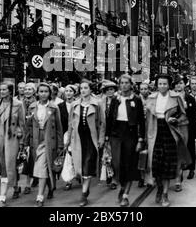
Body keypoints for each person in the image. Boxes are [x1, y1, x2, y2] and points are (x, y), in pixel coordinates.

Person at [145, 74, 191, 207]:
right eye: (160, 84)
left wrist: (175, 119)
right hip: (154, 131)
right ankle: (159, 187)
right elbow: (147, 120)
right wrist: (144, 138)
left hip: (170, 132)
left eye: (165, 84)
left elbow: (183, 115)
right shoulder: (151, 98)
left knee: (167, 164)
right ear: (156, 85)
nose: (162, 86)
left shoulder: (176, 97)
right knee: (156, 164)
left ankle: (165, 193)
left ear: (169, 85)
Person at [106, 75, 145, 207]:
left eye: (126, 83)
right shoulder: (115, 100)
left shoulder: (137, 100)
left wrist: (140, 139)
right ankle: (122, 186)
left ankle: (125, 195)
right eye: (121, 83)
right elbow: (109, 119)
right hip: (116, 135)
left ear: (131, 84)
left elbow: (141, 121)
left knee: (129, 164)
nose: (124, 85)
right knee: (117, 164)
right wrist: (107, 137)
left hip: (131, 134)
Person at [66, 79, 106, 207]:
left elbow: (101, 123)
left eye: (86, 88)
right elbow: (70, 123)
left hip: (91, 139)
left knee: (88, 165)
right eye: (81, 88)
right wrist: (69, 140)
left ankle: (83, 194)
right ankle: (85, 186)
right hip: (78, 139)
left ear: (90, 90)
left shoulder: (97, 104)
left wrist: (101, 139)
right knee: (79, 166)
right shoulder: (75, 104)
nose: (83, 90)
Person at [0, 82, 25, 207]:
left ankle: (2, 197)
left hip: (12, 139)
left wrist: (22, 140)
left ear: (10, 91)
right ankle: (16, 186)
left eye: (4, 90)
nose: (2, 92)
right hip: (0, 139)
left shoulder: (18, 104)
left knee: (8, 165)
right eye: (0, 89)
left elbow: (22, 124)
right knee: (4, 164)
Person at [24, 83, 63, 207]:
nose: (43, 94)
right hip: (35, 140)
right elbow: (28, 126)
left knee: (41, 167)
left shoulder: (54, 108)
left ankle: (40, 197)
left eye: (46, 91)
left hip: (48, 140)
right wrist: (24, 143)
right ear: (37, 93)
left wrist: (60, 145)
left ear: (49, 93)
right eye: (41, 91)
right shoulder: (32, 107)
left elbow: (59, 128)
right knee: (44, 167)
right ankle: (50, 187)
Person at [58, 84, 78, 191]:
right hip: (65, 134)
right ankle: (68, 180)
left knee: (76, 155)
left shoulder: (78, 104)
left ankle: (78, 173)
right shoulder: (60, 106)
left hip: (77, 134)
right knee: (68, 157)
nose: (68, 93)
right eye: (66, 91)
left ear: (74, 92)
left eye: (70, 91)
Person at [172, 75, 190, 192]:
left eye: (181, 83)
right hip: (171, 127)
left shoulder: (189, 98)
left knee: (181, 151)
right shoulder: (169, 96)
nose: (179, 85)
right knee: (172, 152)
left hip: (184, 127)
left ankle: (178, 178)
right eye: (176, 83)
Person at [22, 82, 37, 194]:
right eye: (26, 89)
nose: (27, 91)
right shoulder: (19, 102)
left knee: (30, 160)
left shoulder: (36, 104)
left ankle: (28, 184)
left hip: (32, 134)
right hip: (20, 133)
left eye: (30, 89)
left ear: (34, 91)